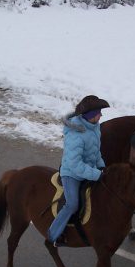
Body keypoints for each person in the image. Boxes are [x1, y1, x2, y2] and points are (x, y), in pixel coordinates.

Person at [47, 95, 110, 246]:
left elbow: (96, 153)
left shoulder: (94, 128)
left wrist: (101, 166)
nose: (101, 115)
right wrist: (96, 175)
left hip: (90, 169)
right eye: (98, 113)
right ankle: (53, 235)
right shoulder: (76, 135)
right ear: (90, 116)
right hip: (72, 174)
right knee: (72, 204)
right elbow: (75, 164)